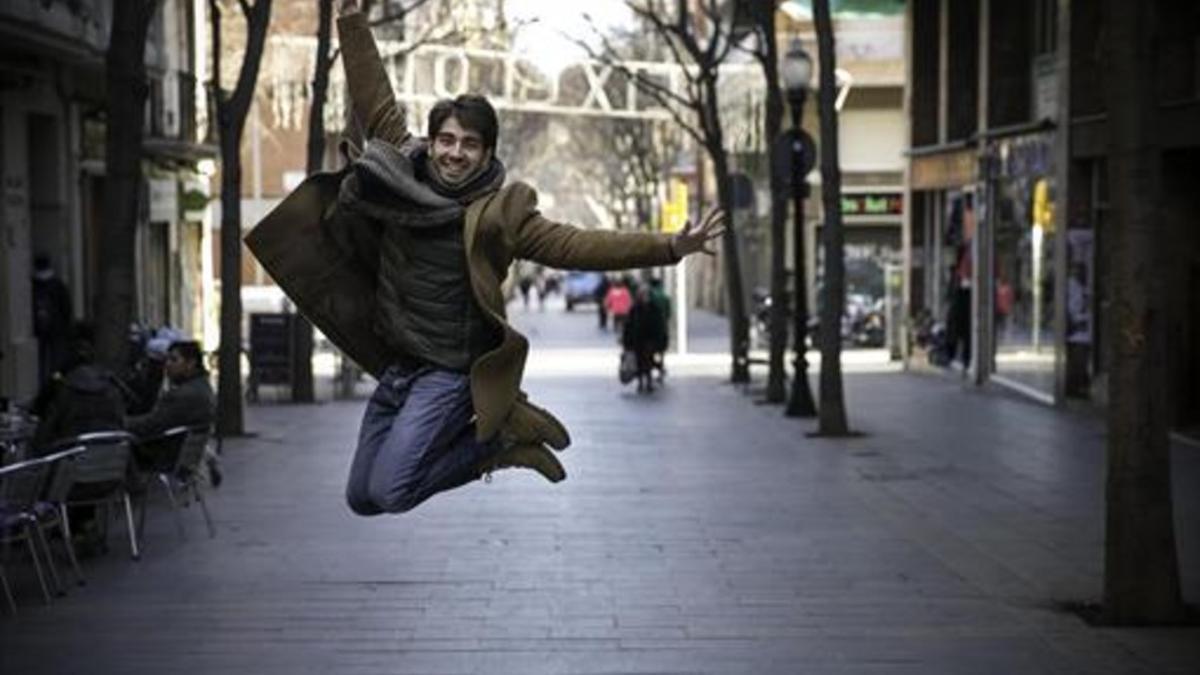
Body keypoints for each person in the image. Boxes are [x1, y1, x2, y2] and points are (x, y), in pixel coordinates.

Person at [243, 0, 725, 517]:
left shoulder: (500, 212)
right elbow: (373, 95)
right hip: (398, 368)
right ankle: (502, 435)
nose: (454, 153)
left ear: (488, 152)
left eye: (469, 144)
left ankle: (493, 446)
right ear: (430, 143)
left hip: (448, 374)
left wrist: (670, 246)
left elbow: (576, 244)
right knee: (361, 497)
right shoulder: (399, 176)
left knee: (390, 491)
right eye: (446, 140)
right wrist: (352, 22)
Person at [126, 340, 220, 485]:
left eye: (174, 360)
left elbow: (150, 425)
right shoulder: (203, 388)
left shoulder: (183, 395)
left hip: (164, 456)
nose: (167, 364)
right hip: (178, 454)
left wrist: (119, 422)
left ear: (191, 363)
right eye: (167, 359)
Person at [31, 323, 126, 455]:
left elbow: (42, 436)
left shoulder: (62, 389)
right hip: (110, 464)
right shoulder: (112, 388)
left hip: (70, 463)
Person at [31, 253, 73, 386]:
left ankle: (42, 384)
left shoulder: (32, 285)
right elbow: (66, 307)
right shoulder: (58, 284)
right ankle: (56, 384)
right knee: (56, 361)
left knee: (40, 361)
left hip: (38, 329)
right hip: (57, 329)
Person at [623, 286, 667, 393]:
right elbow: (628, 325)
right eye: (642, 294)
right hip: (637, 340)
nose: (644, 297)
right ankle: (641, 383)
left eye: (645, 294)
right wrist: (626, 341)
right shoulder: (634, 309)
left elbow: (660, 325)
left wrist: (661, 341)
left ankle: (648, 382)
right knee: (639, 362)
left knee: (648, 361)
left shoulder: (655, 308)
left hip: (650, 340)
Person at [647, 277, 671, 380]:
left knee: (649, 351)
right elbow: (669, 313)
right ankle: (660, 368)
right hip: (663, 326)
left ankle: (655, 368)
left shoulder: (650, 296)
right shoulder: (665, 297)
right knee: (661, 350)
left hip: (651, 327)